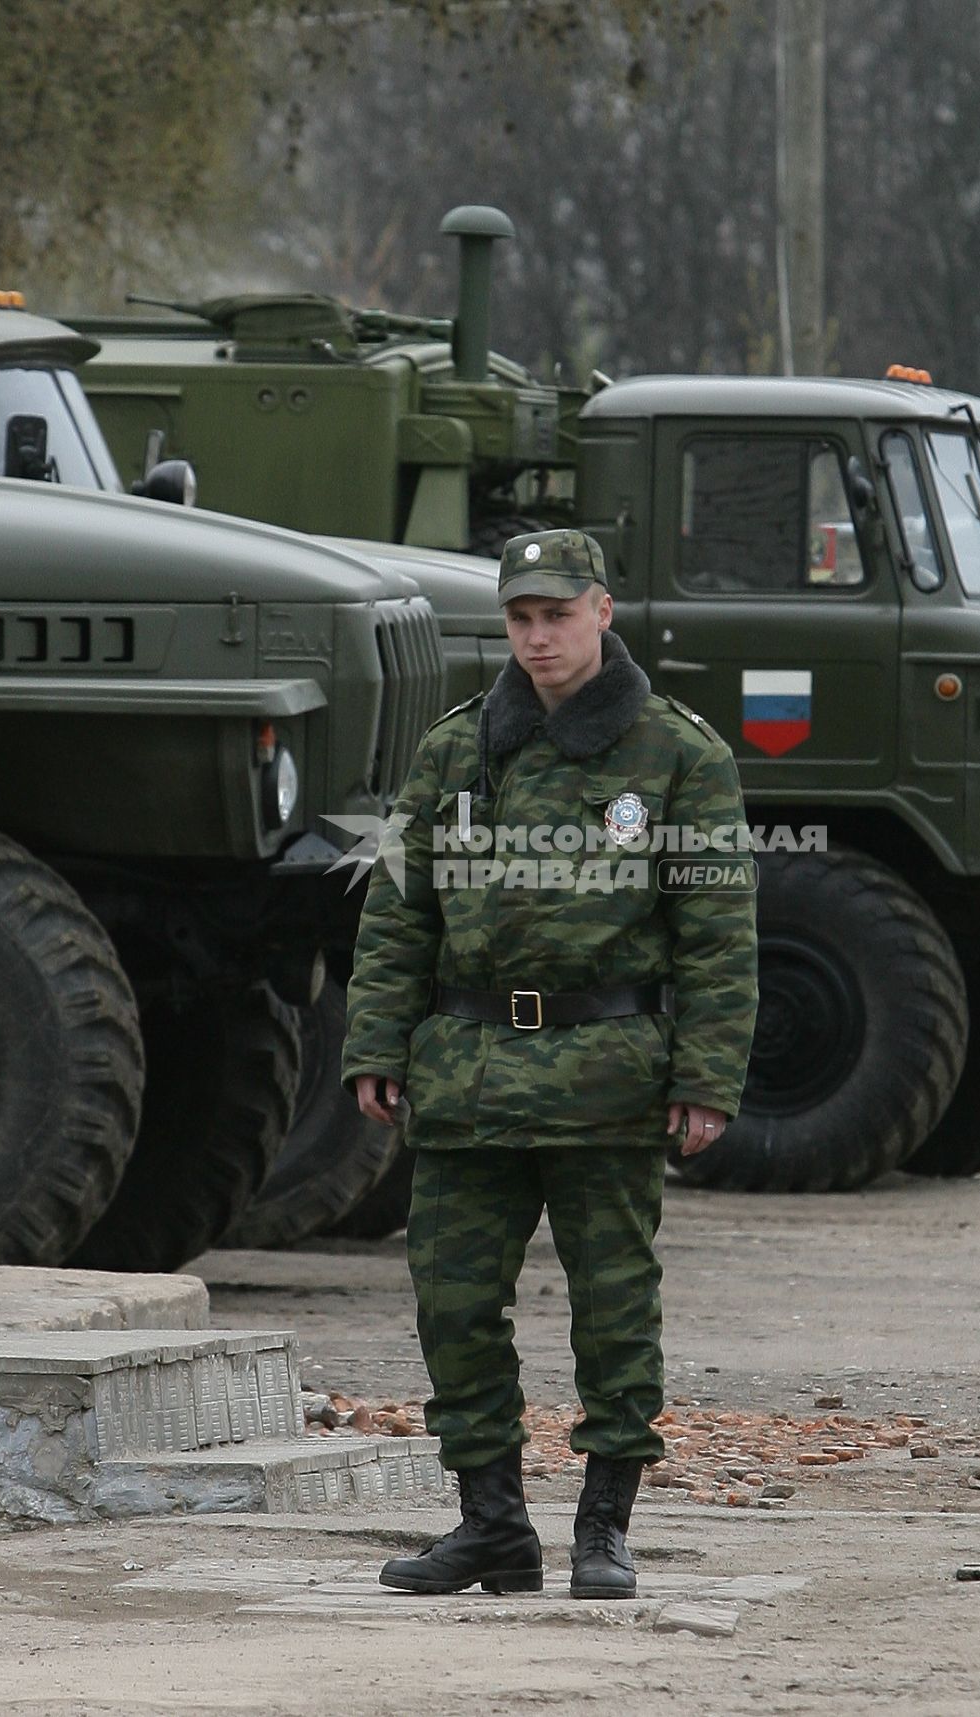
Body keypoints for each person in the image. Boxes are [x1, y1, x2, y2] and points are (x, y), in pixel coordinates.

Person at [341, 527, 757, 1599]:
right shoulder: (455, 749)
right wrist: (375, 1046)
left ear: (601, 612)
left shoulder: (677, 755)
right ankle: (490, 1526)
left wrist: (705, 1077)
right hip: (467, 1073)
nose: (536, 638)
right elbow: (397, 913)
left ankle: (603, 1527)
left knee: (613, 1309)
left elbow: (716, 930)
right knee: (451, 1301)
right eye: (520, 619)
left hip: (606, 1077)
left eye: (555, 616)